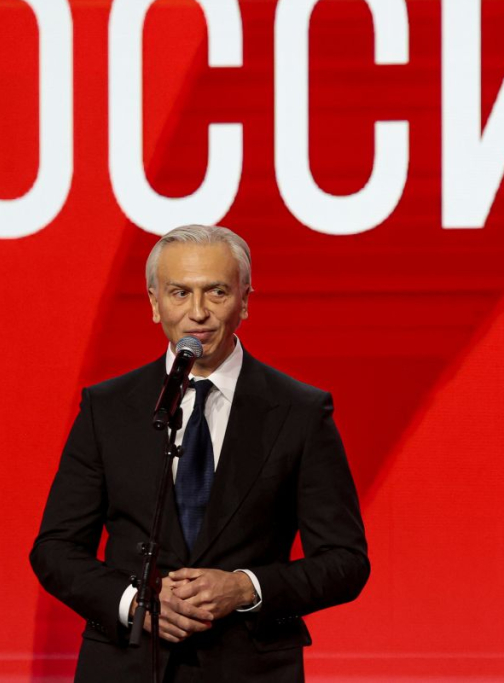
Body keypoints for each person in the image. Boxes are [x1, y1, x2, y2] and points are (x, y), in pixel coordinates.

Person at [30, 224, 369, 682]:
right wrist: (135, 603)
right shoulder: (107, 408)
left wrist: (245, 588)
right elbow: (55, 549)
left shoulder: (300, 411)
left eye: (216, 292)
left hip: (250, 669)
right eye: (179, 293)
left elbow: (345, 561)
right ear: (154, 304)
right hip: (128, 666)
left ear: (244, 301)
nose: (198, 312)